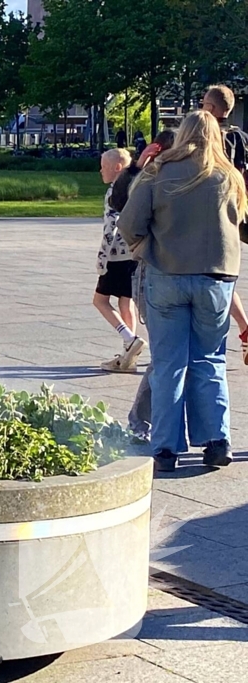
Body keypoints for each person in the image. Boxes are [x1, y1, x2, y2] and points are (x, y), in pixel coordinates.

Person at [117, 111, 247, 473]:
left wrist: (145, 250)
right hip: (216, 280)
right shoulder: (230, 177)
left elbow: (129, 223)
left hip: (167, 275)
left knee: (169, 365)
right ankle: (217, 441)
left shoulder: (157, 172)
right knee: (209, 361)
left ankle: (165, 448)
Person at [112, 130, 177, 442]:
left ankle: (150, 424)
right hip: (161, 272)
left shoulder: (169, 176)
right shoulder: (152, 176)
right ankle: (144, 422)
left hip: (168, 272)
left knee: (175, 356)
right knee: (171, 354)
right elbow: (119, 203)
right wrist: (137, 167)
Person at [201, 84, 248, 354]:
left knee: (211, 277)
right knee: (225, 275)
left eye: (204, 103)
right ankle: (244, 328)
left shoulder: (206, 136)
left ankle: (229, 333)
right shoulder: (240, 138)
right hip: (235, 213)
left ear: (212, 108)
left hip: (209, 213)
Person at [94, 148, 145, 373]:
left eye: (104, 167)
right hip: (135, 254)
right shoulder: (137, 188)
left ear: (117, 168)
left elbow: (111, 228)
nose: (100, 171)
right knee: (126, 302)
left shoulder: (115, 191)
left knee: (100, 301)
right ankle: (128, 357)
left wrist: (102, 258)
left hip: (117, 256)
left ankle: (130, 339)